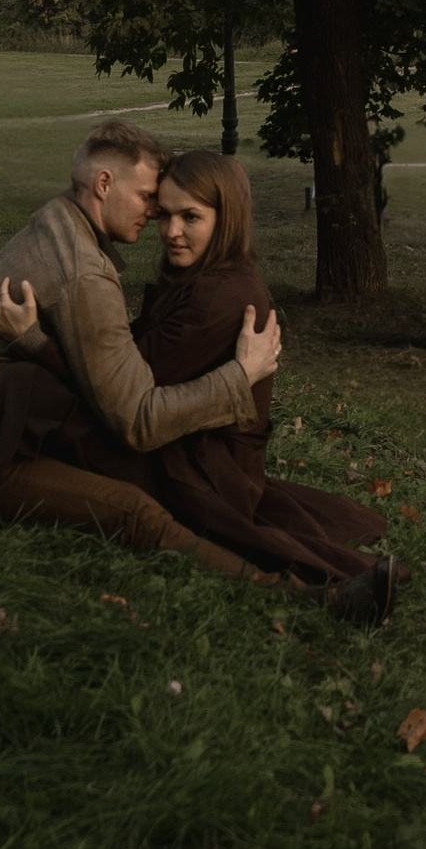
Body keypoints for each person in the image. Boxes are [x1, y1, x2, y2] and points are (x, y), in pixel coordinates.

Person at [0, 116, 394, 620]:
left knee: (71, 440)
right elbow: (124, 392)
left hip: (186, 465)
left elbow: (132, 409)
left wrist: (37, 343)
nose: (162, 224)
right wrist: (35, 343)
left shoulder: (192, 285)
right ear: (103, 187)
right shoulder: (135, 274)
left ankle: (309, 599)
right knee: (39, 407)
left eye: (186, 216)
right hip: (110, 444)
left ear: (227, 219)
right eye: (157, 203)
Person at [133, 149, 395, 603]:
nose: (171, 232)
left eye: (190, 217)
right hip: (197, 451)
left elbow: (126, 381)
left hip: (203, 473)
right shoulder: (210, 276)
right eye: (164, 215)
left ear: (227, 217)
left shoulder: (216, 297)